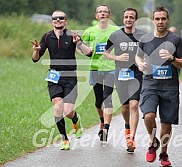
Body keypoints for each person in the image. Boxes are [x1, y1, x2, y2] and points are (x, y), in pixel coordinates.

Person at [31, 10, 92, 150]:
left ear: (66, 20)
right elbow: (35, 59)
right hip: (54, 76)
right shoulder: (47, 37)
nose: (58, 20)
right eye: (55, 18)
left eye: (61, 18)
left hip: (70, 77)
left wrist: (78, 44)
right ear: (52, 21)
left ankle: (76, 120)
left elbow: (88, 53)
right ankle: (65, 139)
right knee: (57, 107)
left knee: (68, 112)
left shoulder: (72, 36)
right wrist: (36, 50)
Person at [135, 7, 182, 166]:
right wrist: (140, 64)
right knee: (149, 116)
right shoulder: (145, 39)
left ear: (167, 20)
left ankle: (163, 154)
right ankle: (153, 142)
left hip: (169, 87)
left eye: (163, 19)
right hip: (150, 84)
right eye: (157, 19)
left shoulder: (175, 40)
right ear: (153, 20)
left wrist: (172, 59)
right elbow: (138, 56)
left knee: (166, 123)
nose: (160, 22)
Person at [103, 7, 145, 152]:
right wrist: (117, 57)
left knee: (134, 105)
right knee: (125, 107)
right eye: (126, 17)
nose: (128, 19)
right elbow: (105, 53)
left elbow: (149, 51)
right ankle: (127, 126)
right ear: (123, 19)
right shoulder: (115, 35)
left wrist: (143, 63)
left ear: (135, 19)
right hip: (120, 74)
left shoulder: (142, 36)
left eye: (131, 17)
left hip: (136, 75)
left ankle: (131, 138)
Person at [81, 4, 119, 142]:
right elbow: (81, 47)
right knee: (98, 101)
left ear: (109, 15)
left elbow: (124, 44)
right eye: (100, 12)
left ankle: (106, 129)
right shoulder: (90, 31)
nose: (102, 14)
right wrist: (87, 49)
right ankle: (102, 121)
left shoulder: (116, 31)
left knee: (107, 98)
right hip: (95, 68)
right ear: (96, 15)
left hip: (111, 68)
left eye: (105, 12)